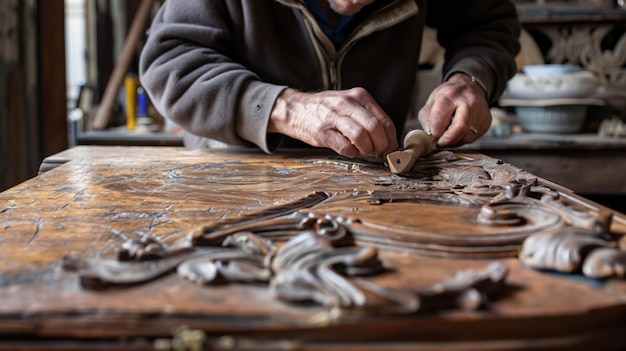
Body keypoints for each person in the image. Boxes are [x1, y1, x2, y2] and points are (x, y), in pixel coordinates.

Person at [139, 0, 521, 159]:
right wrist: (282, 108)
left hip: (375, 177)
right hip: (238, 172)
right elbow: (170, 63)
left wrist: (472, 77)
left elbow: (487, 25)